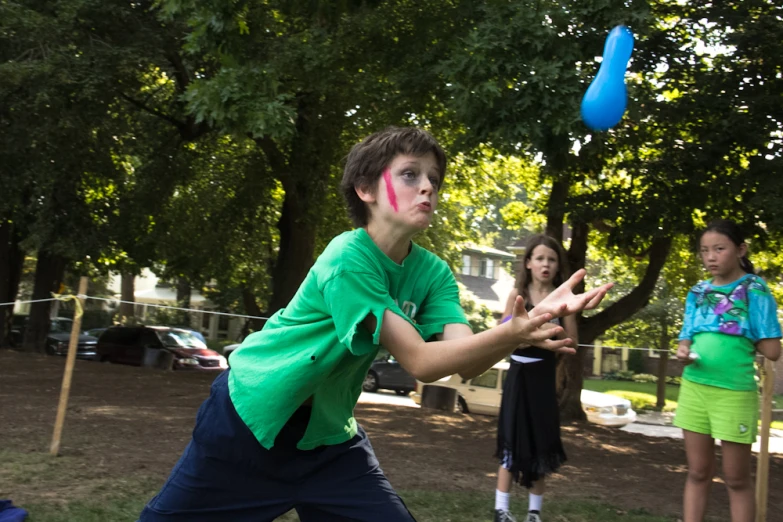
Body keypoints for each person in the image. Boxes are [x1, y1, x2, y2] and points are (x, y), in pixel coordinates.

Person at [138, 126, 612, 522]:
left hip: (328, 443)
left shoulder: (432, 273)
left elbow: (461, 357)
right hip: (248, 424)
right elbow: (422, 362)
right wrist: (511, 333)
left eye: (433, 178)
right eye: (410, 175)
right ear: (365, 190)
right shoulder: (347, 257)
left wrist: (525, 325)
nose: (428, 186)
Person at [675, 219, 781, 522]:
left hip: (734, 393)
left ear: (740, 249)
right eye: (705, 251)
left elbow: (773, 350)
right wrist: (684, 353)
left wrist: (739, 326)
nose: (711, 257)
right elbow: (686, 340)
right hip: (694, 389)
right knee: (697, 472)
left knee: (736, 479)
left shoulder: (754, 289)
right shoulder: (697, 292)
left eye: (719, 249)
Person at [493, 235, 578, 522]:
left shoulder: (563, 297)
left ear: (558, 266)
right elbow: (503, 332)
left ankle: (533, 514)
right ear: (528, 262)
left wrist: (549, 336)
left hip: (544, 377)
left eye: (551, 259)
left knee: (541, 441)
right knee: (511, 439)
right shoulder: (518, 293)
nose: (546, 264)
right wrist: (520, 336)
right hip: (518, 374)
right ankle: (501, 510)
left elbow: (572, 341)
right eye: (540, 258)